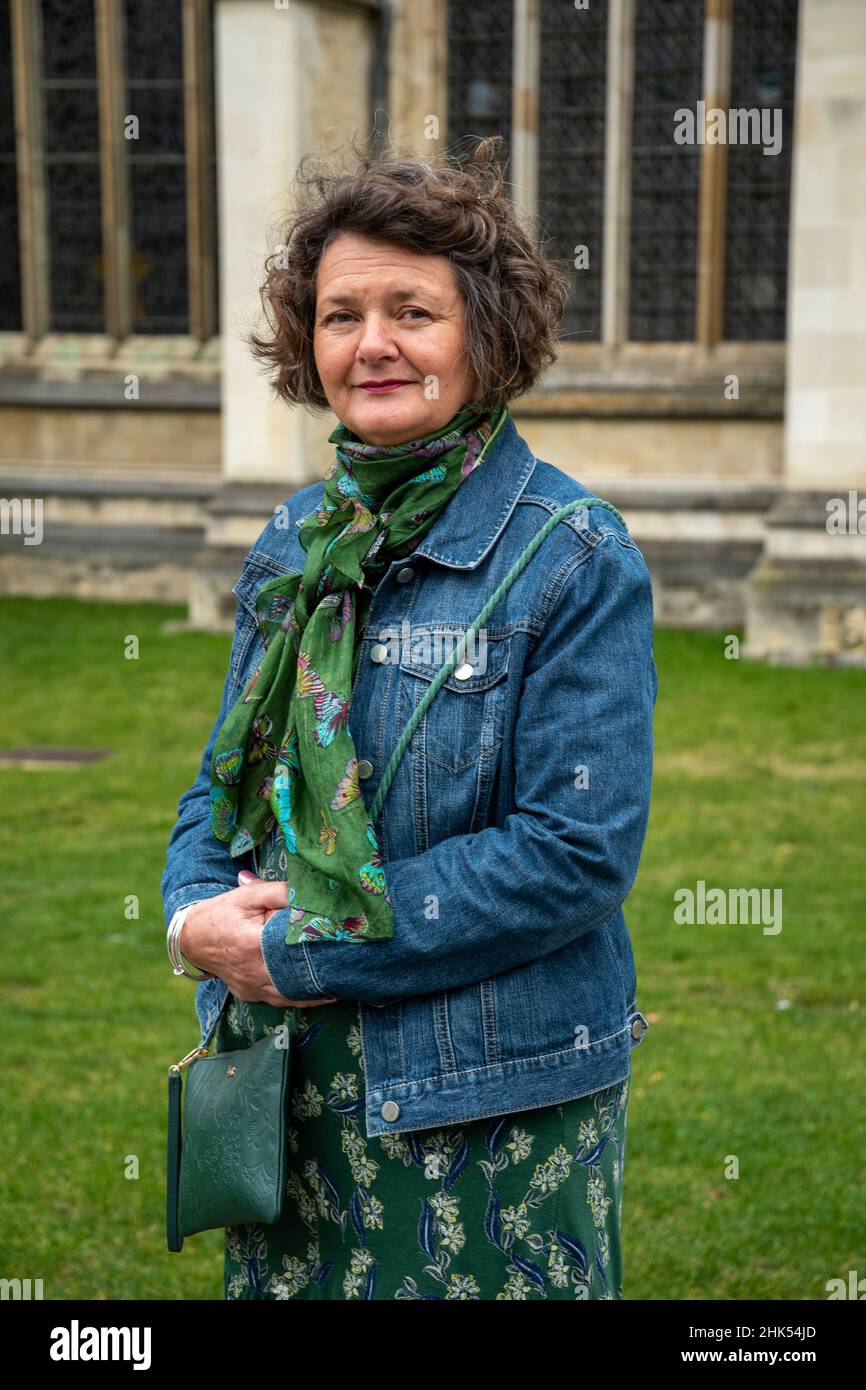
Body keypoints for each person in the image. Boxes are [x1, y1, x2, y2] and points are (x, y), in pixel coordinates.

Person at [161, 136, 656, 1301]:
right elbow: (226, 778)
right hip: (287, 1085)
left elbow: (572, 852)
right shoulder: (294, 538)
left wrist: (296, 949)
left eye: (410, 311)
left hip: (485, 1099)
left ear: (484, 332)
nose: (370, 343)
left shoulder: (570, 556)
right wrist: (191, 916)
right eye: (339, 314)